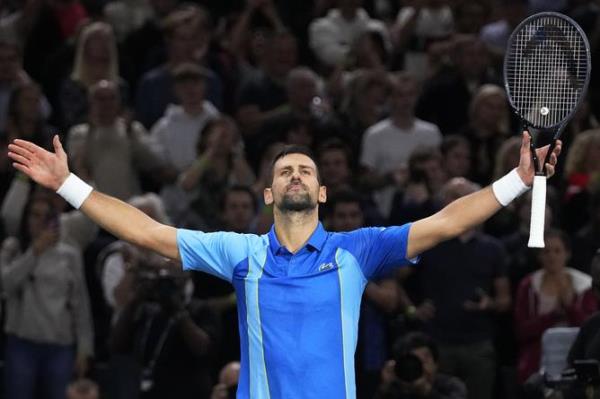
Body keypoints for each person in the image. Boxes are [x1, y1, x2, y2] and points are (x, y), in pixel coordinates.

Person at [7, 130, 560, 398]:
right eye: (284, 172)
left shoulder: (356, 251)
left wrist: (518, 182)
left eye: (305, 171)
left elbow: (446, 222)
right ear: (269, 194)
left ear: (321, 193)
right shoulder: (241, 254)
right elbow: (150, 233)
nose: (295, 175)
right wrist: (68, 185)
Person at [375, 332, 467, 399]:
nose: (421, 367)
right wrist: (385, 388)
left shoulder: (451, 385)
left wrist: (427, 392)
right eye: (414, 361)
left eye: (425, 360)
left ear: (436, 363)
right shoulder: (395, 388)